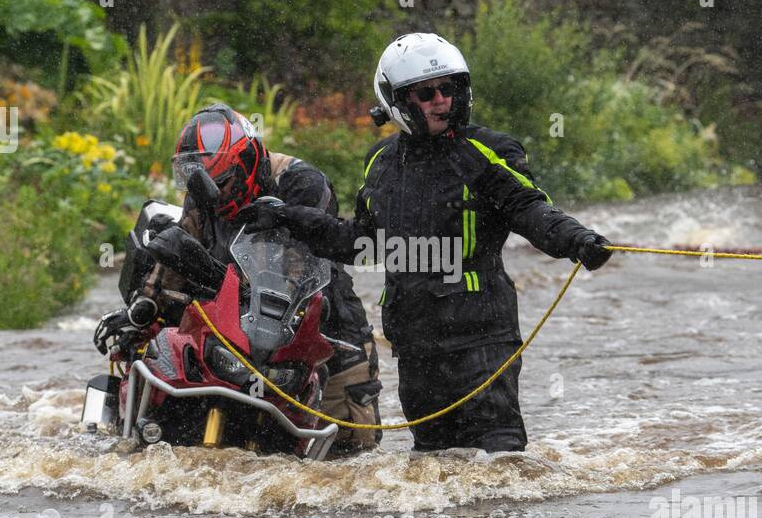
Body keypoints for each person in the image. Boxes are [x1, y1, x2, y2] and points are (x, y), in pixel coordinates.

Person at [237, 33, 612, 453]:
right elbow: (363, 244)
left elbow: (529, 209)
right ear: (397, 100)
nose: (441, 101)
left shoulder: (490, 151)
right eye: (427, 93)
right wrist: (290, 216)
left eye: (449, 89)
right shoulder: (380, 162)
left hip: (482, 339)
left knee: (501, 460)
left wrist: (578, 240)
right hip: (415, 344)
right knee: (431, 465)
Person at [99, 105, 382, 456]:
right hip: (235, 326)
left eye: (222, 185)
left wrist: (214, 263)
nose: (214, 198)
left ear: (246, 162)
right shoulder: (202, 196)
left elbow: (294, 274)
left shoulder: (300, 183)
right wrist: (142, 308)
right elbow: (177, 251)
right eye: (205, 188)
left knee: (351, 456)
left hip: (323, 332)